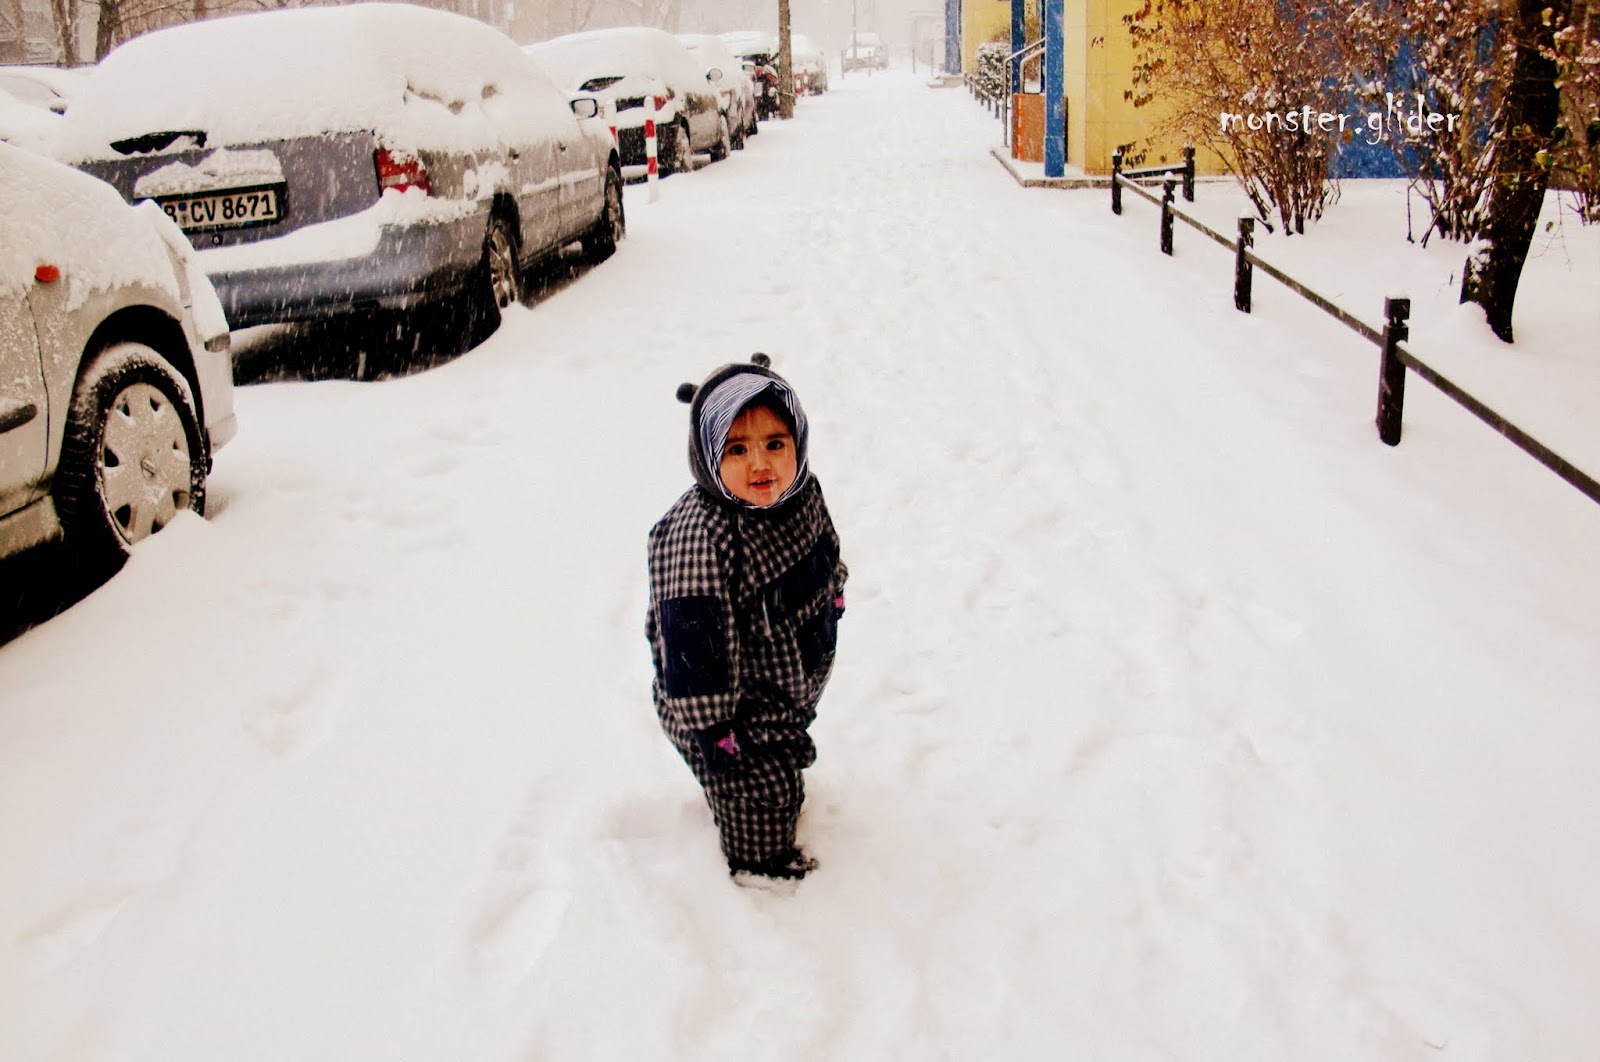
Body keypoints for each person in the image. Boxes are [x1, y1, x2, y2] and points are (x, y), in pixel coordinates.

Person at [645, 354, 848, 882]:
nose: (761, 464)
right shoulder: (699, 539)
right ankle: (759, 865)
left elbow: (825, 545)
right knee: (756, 792)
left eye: (775, 444)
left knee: (778, 769)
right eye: (736, 449)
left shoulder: (800, 493)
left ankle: (770, 803)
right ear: (708, 454)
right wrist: (715, 731)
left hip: (780, 686)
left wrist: (834, 590)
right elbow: (694, 653)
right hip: (726, 711)